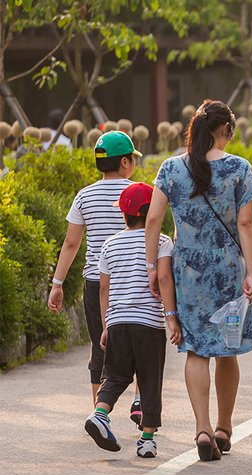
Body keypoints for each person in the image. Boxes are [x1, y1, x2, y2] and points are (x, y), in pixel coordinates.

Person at [145, 99, 252, 462]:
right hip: (227, 270)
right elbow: (245, 224)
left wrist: (152, 267)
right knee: (227, 349)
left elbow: (152, 220)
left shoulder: (171, 168)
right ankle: (225, 427)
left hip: (188, 272)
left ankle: (203, 429)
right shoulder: (239, 169)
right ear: (224, 130)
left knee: (196, 350)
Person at [48, 131, 142, 420]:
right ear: (125, 162)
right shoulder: (138, 192)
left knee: (100, 343)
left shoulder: (84, 195)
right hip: (132, 278)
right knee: (139, 338)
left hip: (95, 283)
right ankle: (140, 401)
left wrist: (57, 283)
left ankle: (98, 412)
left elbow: (71, 243)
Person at [84, 182, 181, 458]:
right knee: (150, 379)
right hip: (148, 324)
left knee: (115, 375)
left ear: (125, 215)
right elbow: (163, 279)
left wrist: (105, 326)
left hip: (117, 322)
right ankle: (147, 439)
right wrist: (171, 317)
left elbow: (104, 288)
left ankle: (100, 413)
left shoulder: (110, 244)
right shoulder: (162, 242)